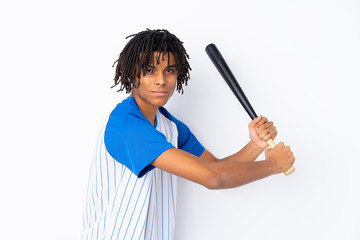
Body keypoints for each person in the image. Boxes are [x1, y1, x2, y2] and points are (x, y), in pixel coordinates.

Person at [81, 29, 295, 240]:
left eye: (169, 71)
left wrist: (255, 145)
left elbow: (216, 167)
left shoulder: (169, 126)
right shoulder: (125, 126)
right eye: (149, 70)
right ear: (131, 73)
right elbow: (214, 178)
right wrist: (273, 165)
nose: (161, 80)